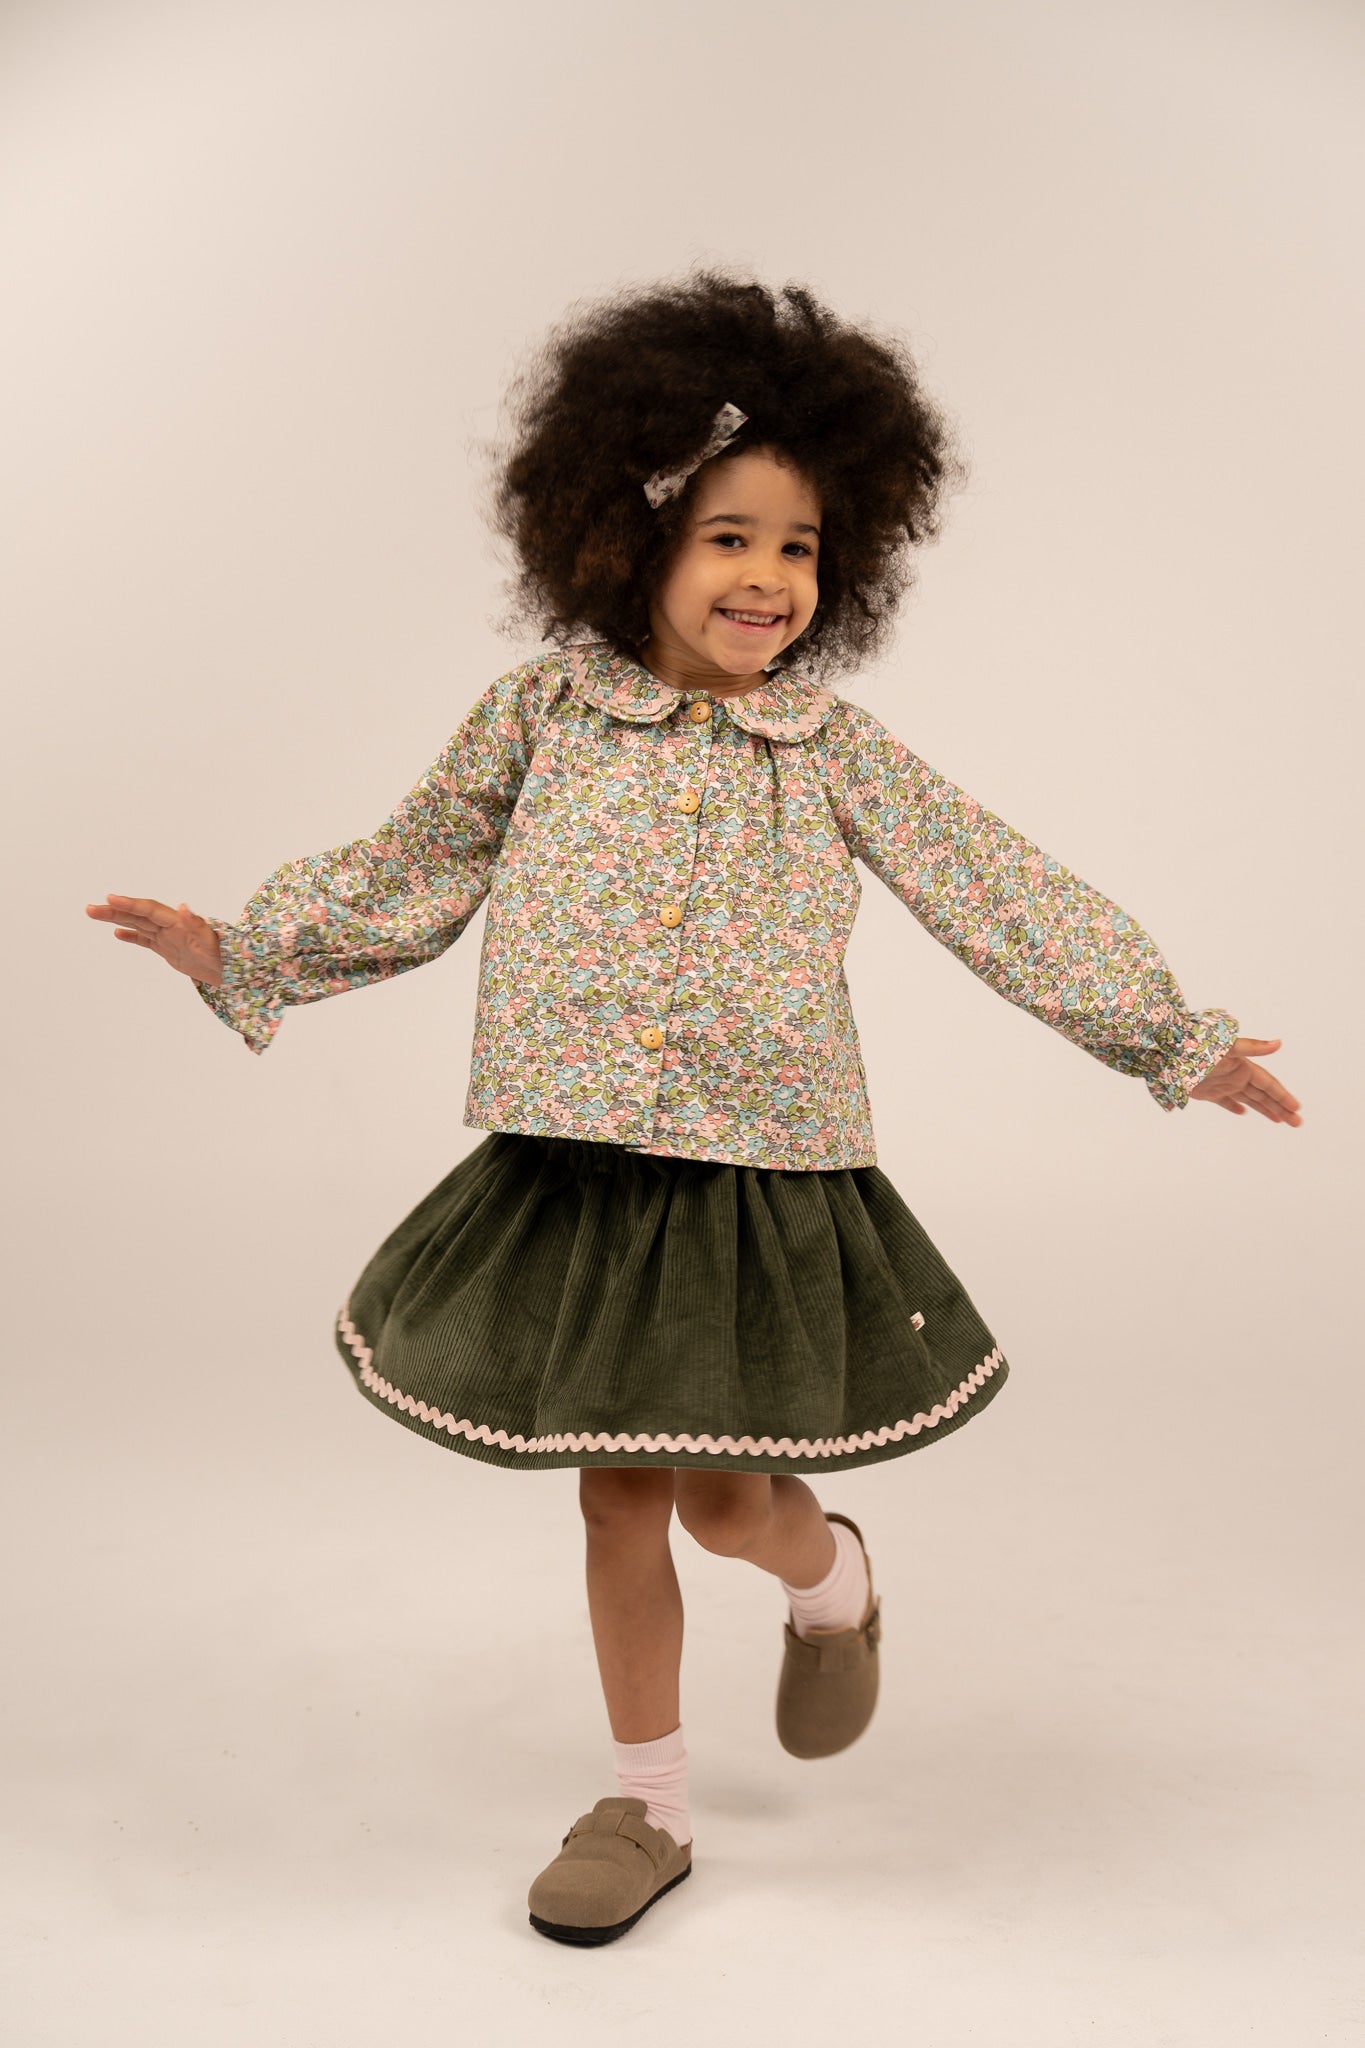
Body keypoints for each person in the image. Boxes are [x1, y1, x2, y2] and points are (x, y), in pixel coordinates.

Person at [85, 268, 1303, 1949]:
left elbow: (998, 890)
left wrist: (1172, 1037)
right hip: (579, 1167)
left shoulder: (829, 748)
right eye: (730, 535)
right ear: (630, 535)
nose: (768, 578)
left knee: (729, 1505)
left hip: (755, 1172)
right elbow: (415, 868)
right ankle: (645, 1804)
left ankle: (833, 1578)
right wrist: (248, 948)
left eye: (799, 547)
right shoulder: (542, 713)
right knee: (614, 1496)